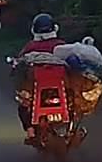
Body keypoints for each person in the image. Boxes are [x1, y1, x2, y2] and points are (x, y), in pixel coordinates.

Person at [13, 13, 67, 143]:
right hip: (61, 88)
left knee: (23, 105)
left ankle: (30, 131)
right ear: (54, 28)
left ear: (34, 30)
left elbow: (19, 63)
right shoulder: (61, 45)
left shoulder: (30, 47)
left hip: (37, 89)